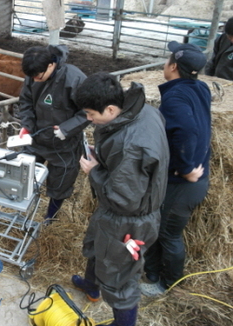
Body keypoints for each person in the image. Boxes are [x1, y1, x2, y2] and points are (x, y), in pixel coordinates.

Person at [72, 73, 169, 326]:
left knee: (119, 277)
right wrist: (104, 158)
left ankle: (124, 322)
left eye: (92, 114)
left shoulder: (131, 147)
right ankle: (92, 287)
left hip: (128, 220)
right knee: (96, 246)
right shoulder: (142, 111)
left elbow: (123, 198)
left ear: (111, 108)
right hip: (116, 211)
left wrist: (94, 171)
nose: (89, 119)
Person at [140, 42, 211, 297]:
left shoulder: (175, 96)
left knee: (168, 234)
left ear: (173, 67)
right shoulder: (200, 88)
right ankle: (153, 272)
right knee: (161, 229)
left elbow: (187, 131)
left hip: (184, 183)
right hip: (191, 179)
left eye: (167, 60)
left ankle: (168, 285)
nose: (164, 65)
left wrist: (185, 168)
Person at [18, 45, 90, 224]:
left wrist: (67, 129)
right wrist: (27, 125)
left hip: (64, 144)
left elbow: (88, 111)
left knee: (61, 181)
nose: (35, 80)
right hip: (36, 138)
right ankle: (24, 210)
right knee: (25, 174)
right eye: (32, 77)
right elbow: (26, 101)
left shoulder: (75, 79)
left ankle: (50, 216)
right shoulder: (34, 75)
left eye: (38, 77)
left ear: (51, 65)